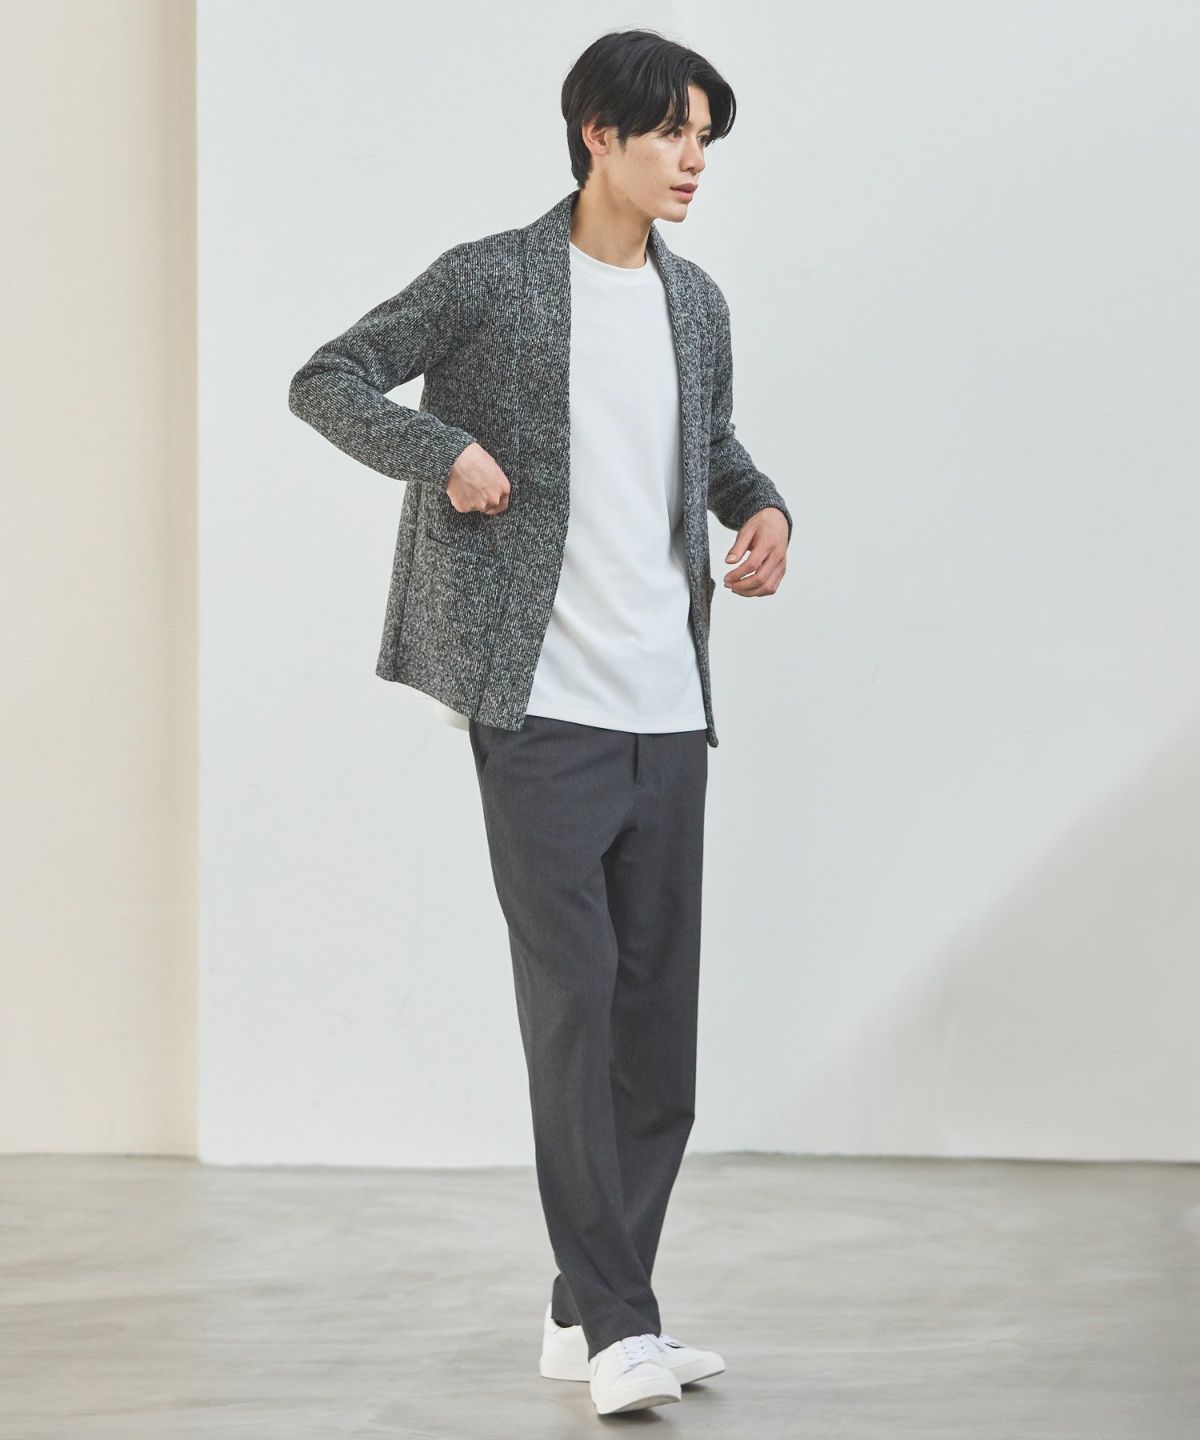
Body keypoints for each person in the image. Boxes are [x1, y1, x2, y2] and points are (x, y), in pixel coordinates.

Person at [288, 27, 791, 1417]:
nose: (693, 160)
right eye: (671, 132)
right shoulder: (491, 280)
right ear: (597, 135)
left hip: (668, 706)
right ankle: (626, 1323)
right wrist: (440, 449)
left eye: (705, 137)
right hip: (542, 706)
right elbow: (327, 376)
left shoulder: (697, 304)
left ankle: (586, 1311)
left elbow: (711, 446)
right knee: (575, 1008)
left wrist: (762, 507)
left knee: (657, 1041)